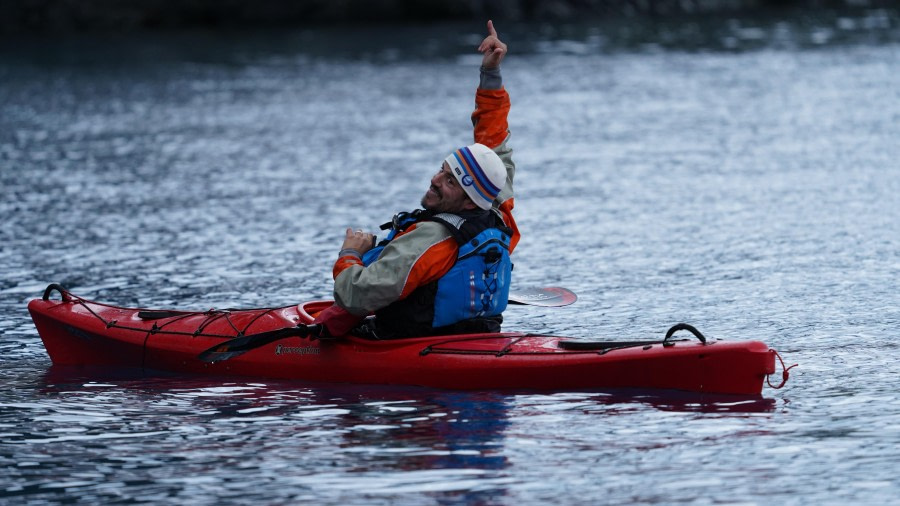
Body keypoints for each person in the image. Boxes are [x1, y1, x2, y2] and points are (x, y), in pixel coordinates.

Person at [313, 20, 518, 339]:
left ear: (467, 199)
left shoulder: (429, 241)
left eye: (451, 182)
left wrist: (350, 254)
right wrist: (490, 75)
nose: (436, 180)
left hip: (412, 346)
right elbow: (493, 142)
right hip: (478, 334)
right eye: (443, 170)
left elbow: (355, 297)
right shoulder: (496, 210)